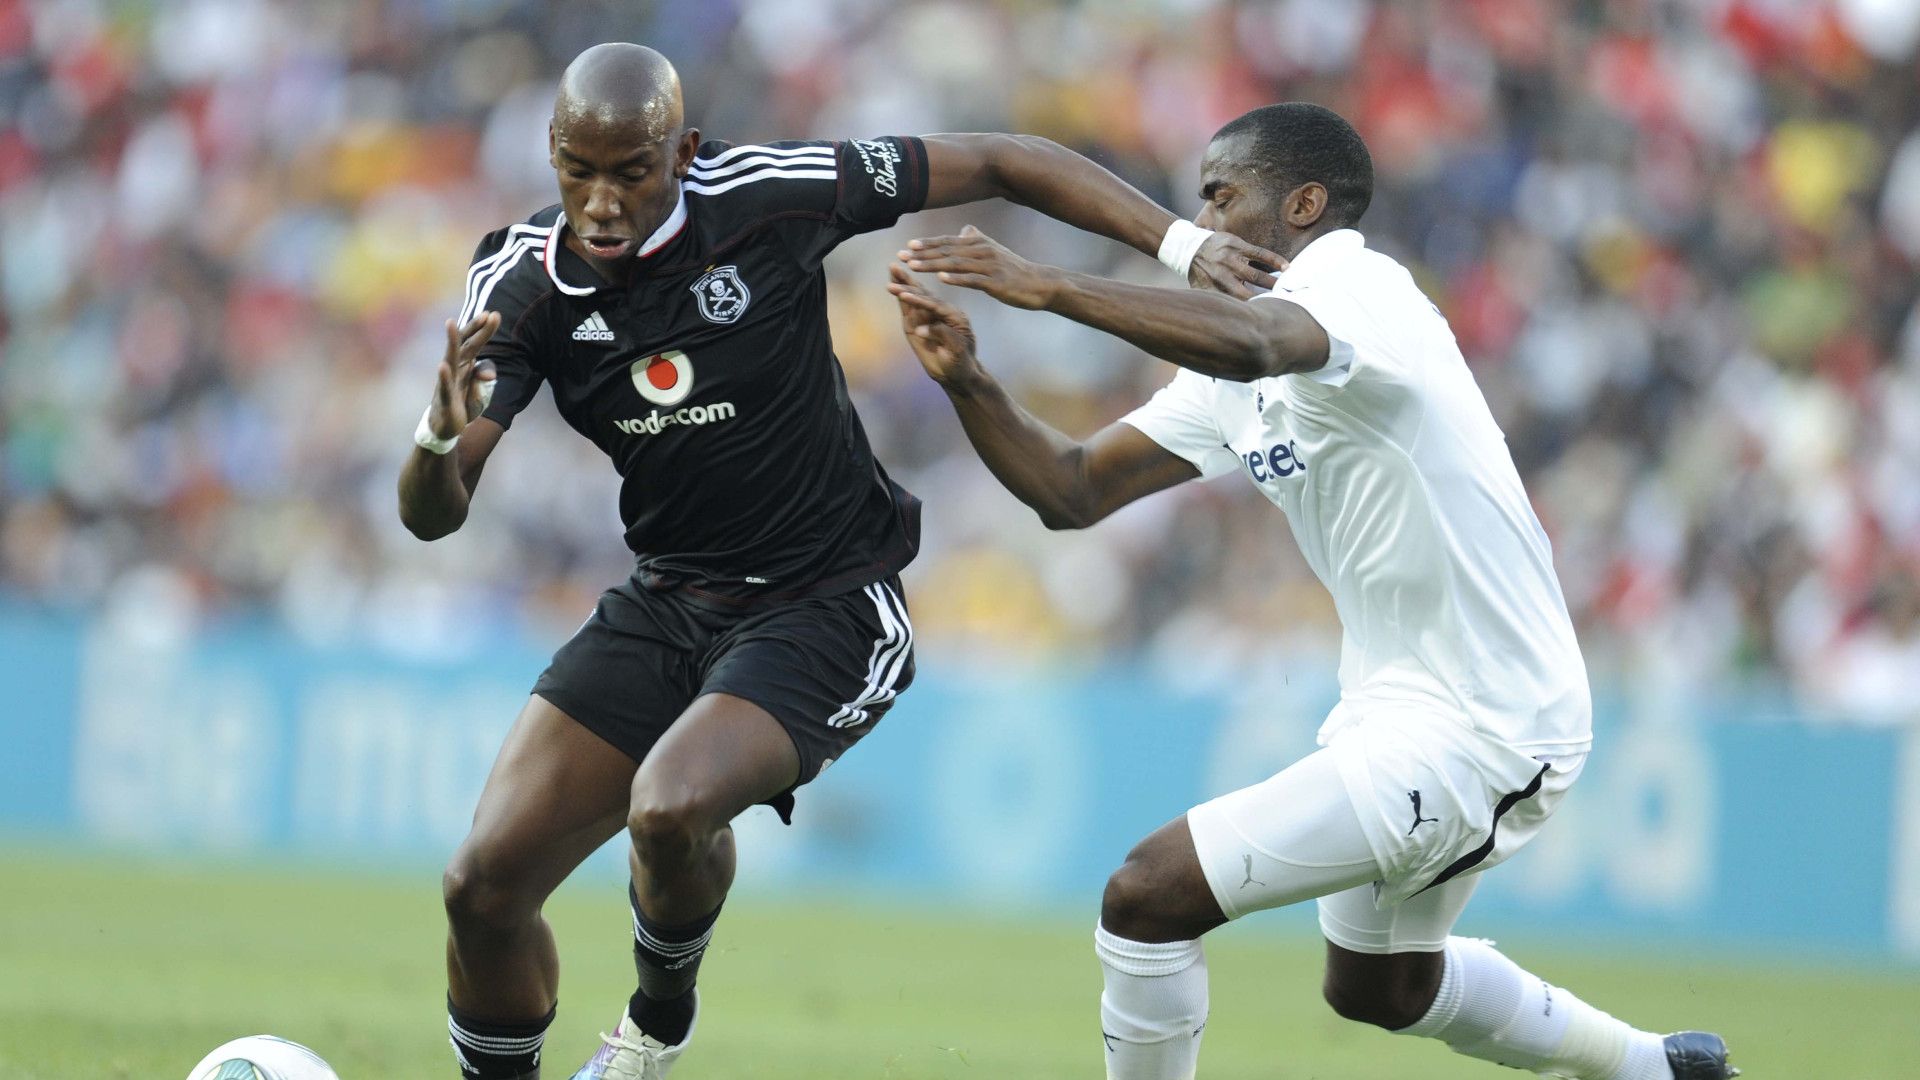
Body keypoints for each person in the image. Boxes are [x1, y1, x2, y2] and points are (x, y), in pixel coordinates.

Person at [396, 42, 1278, 1080]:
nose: (600, 202)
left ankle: (652, 1033)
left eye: (629, 171)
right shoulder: (523, 282)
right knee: (481, 887)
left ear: (680, 151)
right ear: (550, 153)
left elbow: (1003, 158)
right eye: (576, 170)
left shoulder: (767, 195)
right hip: (669, 597)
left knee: (671, 806)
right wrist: (434, 442)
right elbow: (434, 519)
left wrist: (1180, 246)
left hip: (826, 604)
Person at [888, 102, 1738, 1080]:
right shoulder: (1229, 367)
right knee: (1379, 991)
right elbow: (1071, 489)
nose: (1198, 220)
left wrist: (1045, 285)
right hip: (1397, 711)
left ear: (1302, 202)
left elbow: (1259, 344)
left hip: (1486, 720)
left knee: (1145, 895)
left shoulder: (1361, 288)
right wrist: (970, 384)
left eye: (1220, 195)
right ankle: (1655, 1069)